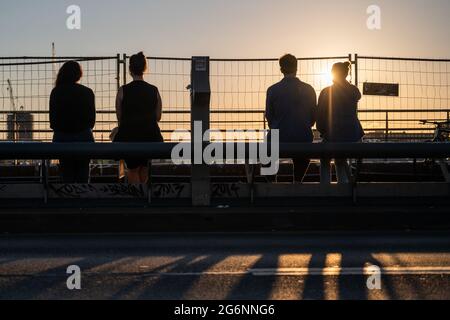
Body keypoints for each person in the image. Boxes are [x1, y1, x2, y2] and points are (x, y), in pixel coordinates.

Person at [265, 54, 317, 183]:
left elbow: (269, 116)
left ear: (281, 70)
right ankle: (298, 182)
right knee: (303, 152)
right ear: (296, 68)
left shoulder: (272, 90)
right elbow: (312, 118)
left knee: (267, 151)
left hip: (279, 136)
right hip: (303, 136)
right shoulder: (309, 89)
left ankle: (271, 185)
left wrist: (277, 126)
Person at [114, 52, 163, 184]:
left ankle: (138, 196)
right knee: (144, 167)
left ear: (130, 69)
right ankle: (143, 194)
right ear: (145, 68)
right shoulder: (154, 90)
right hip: (150, 135)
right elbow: (158, 117)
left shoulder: (122, 90)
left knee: (133, 169)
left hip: (129, 136)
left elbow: (120, 117)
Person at [316, 62, 364, 184]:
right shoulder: (353, 91)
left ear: (332, 73)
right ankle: (343, 184)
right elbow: (357, 95)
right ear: (346, 74)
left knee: (325, 158)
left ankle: (325, 186)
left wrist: (323, 132)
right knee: (341, 158)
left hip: (334, 134)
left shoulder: (326, 92)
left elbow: (320, 117)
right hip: (353, 135)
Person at [50, 61, 96, 183]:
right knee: (83, 173)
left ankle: (67, 197)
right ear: (79, 75)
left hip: (62, 138)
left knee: (66, 174)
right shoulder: (87, 92)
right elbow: (92, 121)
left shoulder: (56, 92)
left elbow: (53, 122)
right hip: (84, 137)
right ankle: (83, 197)